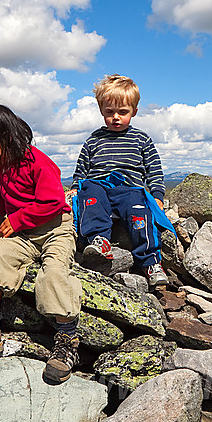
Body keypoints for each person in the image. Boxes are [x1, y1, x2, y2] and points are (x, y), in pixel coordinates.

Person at [0, 103, 82, 384]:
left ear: (5, 138)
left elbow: (52, 203)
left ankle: (68, 340)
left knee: (54, 272)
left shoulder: (40, 163)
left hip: (54, 228)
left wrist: (18, 219)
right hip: (24, 233)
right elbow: (0, 193)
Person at [68, 74, 173, 287]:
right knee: (90, 195)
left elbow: (154, 170)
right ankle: (99, 241)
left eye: (123, 112)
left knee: (141, 213)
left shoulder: (141, 139)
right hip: (98, 186)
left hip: (129, 189)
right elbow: (82, 169)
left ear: (134, 111)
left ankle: (151, 263)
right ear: (101, 111)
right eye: (109, 112)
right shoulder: (94, 140)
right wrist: (75, 188)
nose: (116, 117)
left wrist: (157, 196)